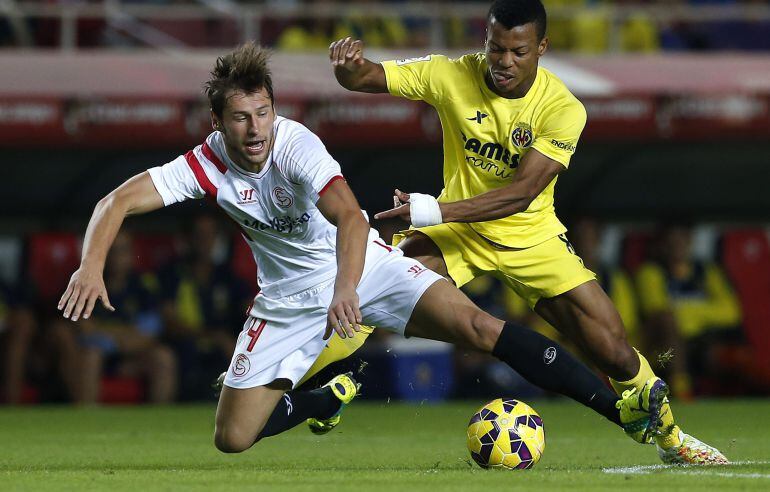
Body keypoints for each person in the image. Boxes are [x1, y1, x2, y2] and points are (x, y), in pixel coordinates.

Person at [61, 42, 661, 457]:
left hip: (363, 268)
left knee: (480, 326)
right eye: (240, 118)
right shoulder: (203, 164)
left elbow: (350, 216)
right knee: (233, 438)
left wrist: (347, 288)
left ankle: (620, 412)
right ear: (217, 121)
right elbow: (115, 202)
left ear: (276, 108)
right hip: (288, 300)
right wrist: (91, 265)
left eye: (264, 113)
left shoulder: (297, 146)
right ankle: (323, 400)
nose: (255, 130)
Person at [326, 0, 726, 464]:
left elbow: (521, 193)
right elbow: (365, 77)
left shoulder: (562, 108)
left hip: (531, 238)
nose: (504, 63)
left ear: (541, 47)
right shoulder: (451, 74)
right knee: (371, 285)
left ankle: (673, 440)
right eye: (496, 49)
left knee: (615, 352)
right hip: (461, 234)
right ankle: (321, 387)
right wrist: (346, 67)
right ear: (485, 42)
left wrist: (431, 210)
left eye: (518, 52)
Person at [635, 223, 742, 398]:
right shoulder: (651, 272)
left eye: (682, 240)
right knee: (667, 322)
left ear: (690, 241)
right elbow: (656, 311)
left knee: (724, 351)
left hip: (701, 340)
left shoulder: (706, 272)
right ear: (662, 245)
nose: (677, 246)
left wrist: (688, 315)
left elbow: (731, 312)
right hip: (661, 348)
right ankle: (681, 390)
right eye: (671, 241)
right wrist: (704, 312)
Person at [75, 231, 176, 404]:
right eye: (111, 250)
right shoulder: (85, 282)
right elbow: (86, 331)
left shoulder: (143, 287)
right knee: (91, 356)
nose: (116, 257)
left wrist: (108, 334)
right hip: (97, 356)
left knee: (163, 357)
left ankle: (159, 422)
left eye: (122, 250)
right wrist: (125, 335)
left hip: (131, 357)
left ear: (130, 254)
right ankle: (87, 422)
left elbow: (149, 334)